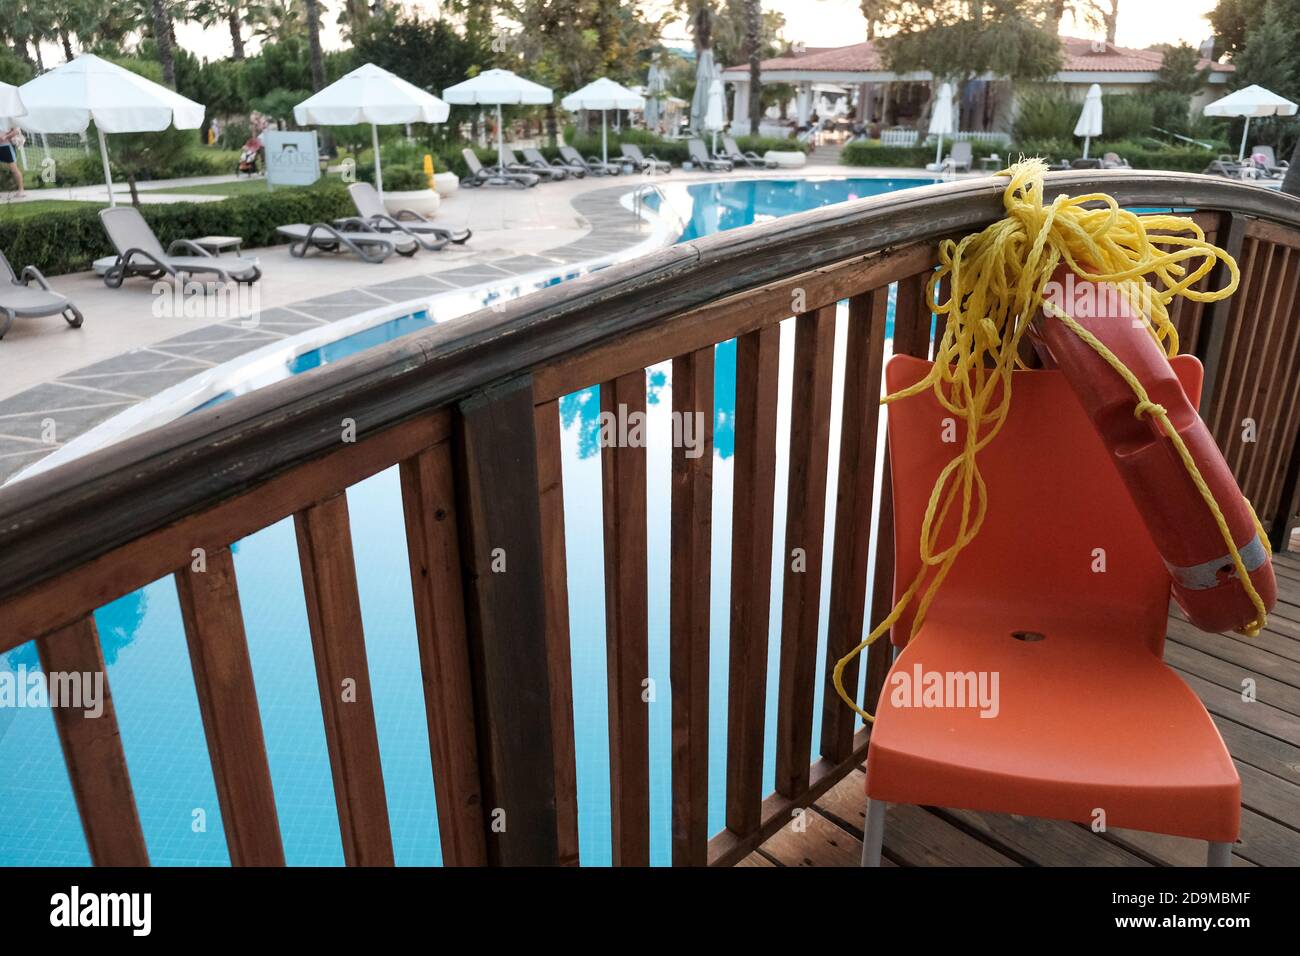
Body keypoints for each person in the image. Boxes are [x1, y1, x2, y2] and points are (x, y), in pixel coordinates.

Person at [0, 126, 26, 197]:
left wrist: (6, 136)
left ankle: (21, 191)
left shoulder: (9, 117)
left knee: (13, 169)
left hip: (6, 146)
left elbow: (16, 130)